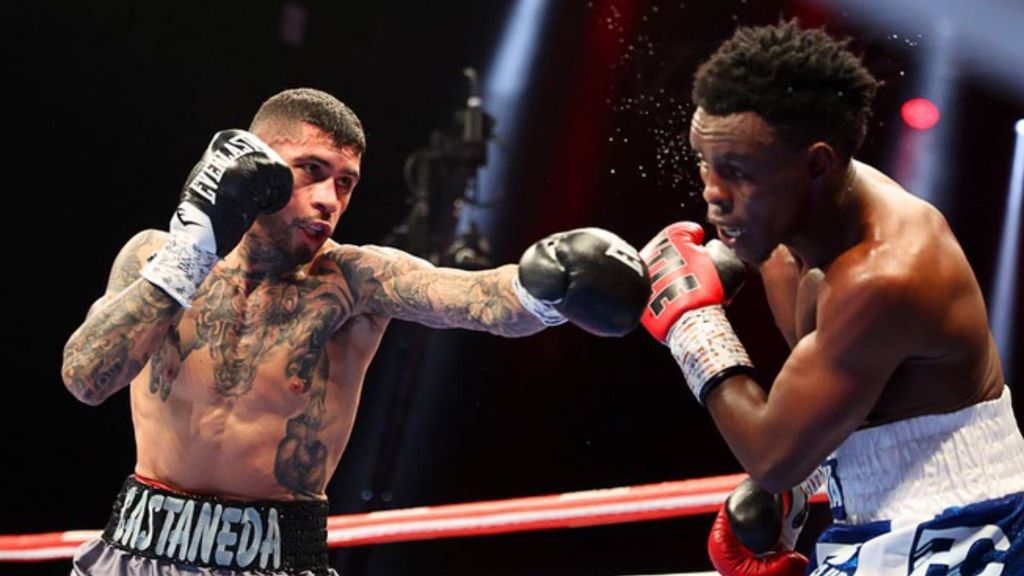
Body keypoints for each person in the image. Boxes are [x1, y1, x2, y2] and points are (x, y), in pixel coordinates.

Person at [60, 87, 651, 576]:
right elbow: (86, 378)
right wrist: (191, 252)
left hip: (276, 558)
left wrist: (544, 288)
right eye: (311, 172)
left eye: (345, 183)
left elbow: (476, 298)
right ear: (256, 168)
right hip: (138, 548)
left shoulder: (353, 280)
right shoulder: (155, 256)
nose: (328, 200)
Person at [638, 20, 1024, 575]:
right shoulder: (783, 222)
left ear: (816, 164)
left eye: (737, 173)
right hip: (876, 523)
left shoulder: (885, 274)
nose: (713, 194)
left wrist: (692, 326)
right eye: (705, 162)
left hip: (970, 532)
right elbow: (872, 407)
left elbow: (772, 456)